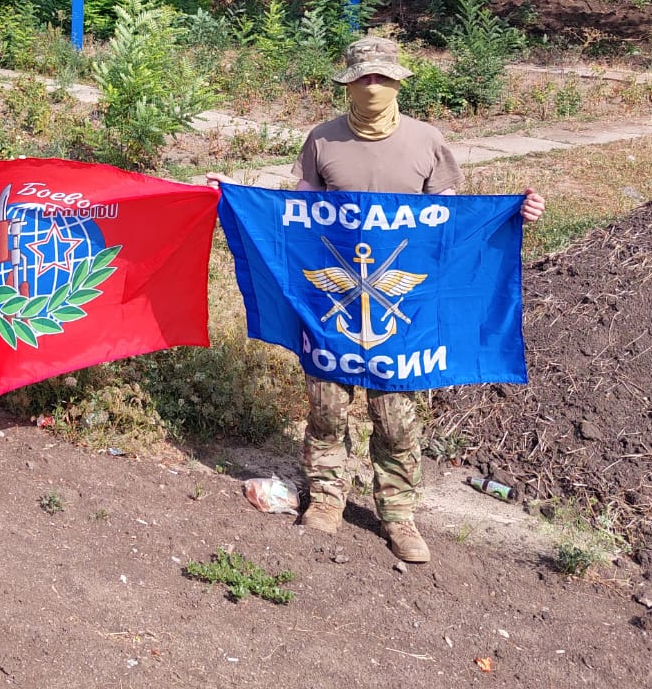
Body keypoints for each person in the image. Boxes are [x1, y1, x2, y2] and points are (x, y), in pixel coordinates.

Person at [215, 35, 544, 564]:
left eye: (382, 78)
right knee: (326, 411)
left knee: (396, 419)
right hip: (331, 309)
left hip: (403, 317)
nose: (373, 86)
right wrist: (235, 196)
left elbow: (451, 227)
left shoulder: (427, 141)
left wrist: (515, 214)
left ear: (397, 82)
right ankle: (325, 501)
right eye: (363, 78)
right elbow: (293, 217)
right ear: (348, 83)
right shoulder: (322, 141)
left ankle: (399, 516)